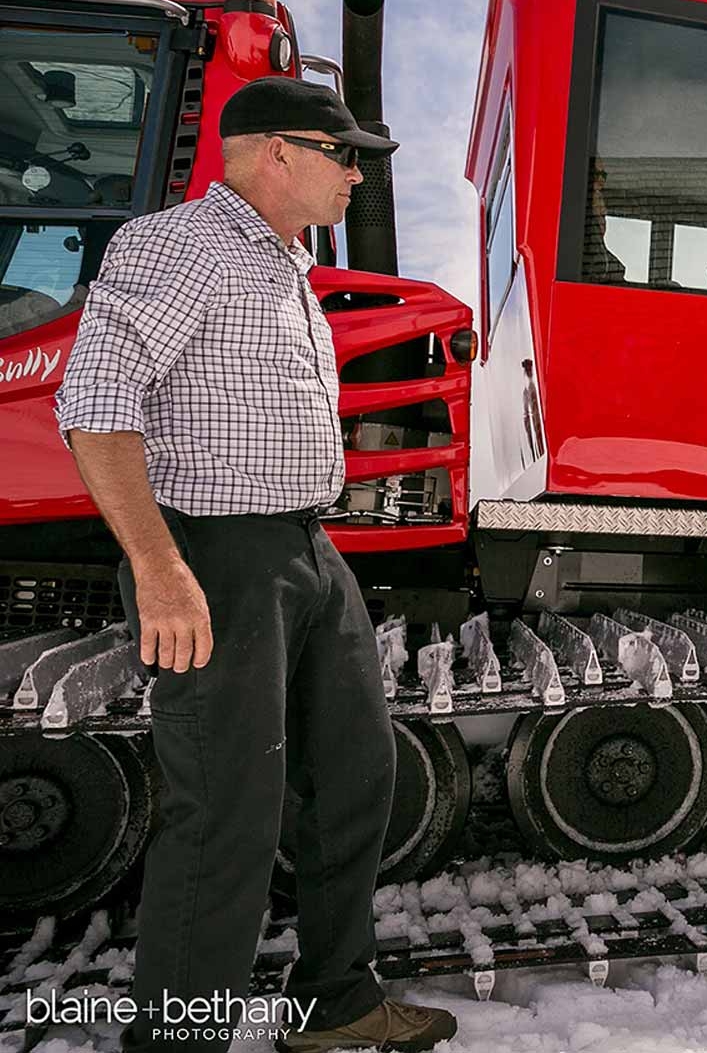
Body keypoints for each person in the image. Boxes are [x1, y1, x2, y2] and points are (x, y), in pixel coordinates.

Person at [54, 77, 457, 1052]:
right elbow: (94, 402)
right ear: (278, 151)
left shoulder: (283, 265)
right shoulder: (181, 245)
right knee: (227, 812)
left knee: (356, 776)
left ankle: (339, 1004)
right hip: (215, 557)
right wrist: (159, 566)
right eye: (345, 154)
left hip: (307, 549)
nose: (359, 175)